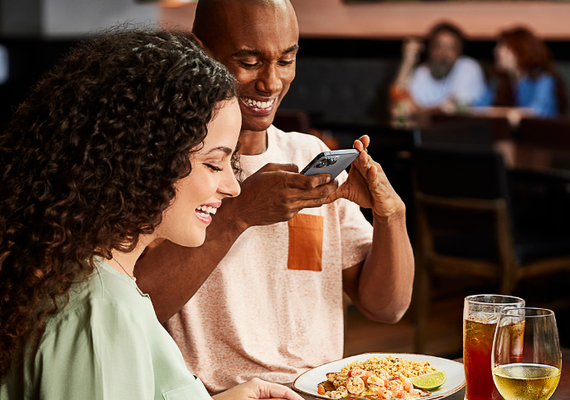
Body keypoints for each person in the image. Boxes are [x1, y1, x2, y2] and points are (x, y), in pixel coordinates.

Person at [0, 29, 303, 400]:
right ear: (146, 160)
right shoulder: (102, 311)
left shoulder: (92, 279)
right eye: (213, 163)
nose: (233, 186)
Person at [134, 0, 415, 393]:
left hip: (319, 389)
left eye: (286, 60)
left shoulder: (309, 157)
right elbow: (133, 312)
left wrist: (391, 215)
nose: (270, 83)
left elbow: (387, 308)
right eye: (249, 62)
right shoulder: (160, 166)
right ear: (202, 51)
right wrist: (240, 212)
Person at [390, 22, 486, 120]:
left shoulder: (468, 67)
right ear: (429, 49)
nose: (444, 53)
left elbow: (454, 111)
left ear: (459, 51)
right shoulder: (422, 72)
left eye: (450, 47)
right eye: (438, 46)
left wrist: (417, 111)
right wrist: (407, 63)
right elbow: (398, 107)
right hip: (424, 133)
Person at [475, 26, 567, 119]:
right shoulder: (499, 80)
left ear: (520, 50)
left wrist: (502, 113)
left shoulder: (543, 79)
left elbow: (539, 111)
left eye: (503, 46)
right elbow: (479, 108)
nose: (496, 51)